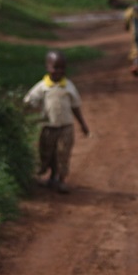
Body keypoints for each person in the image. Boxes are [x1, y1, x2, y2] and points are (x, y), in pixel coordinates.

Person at [23, 49, 90, 194]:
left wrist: (83, 124)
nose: (59, 71)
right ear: (47, 67)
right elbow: (29, 101)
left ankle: (61, 180)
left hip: (66, 127)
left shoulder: (68, 86)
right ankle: (52, 176)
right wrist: (22, 114)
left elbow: (75, 107)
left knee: (63, 153)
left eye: (62, 68)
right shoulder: (42, 87)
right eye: (55, 67)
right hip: (48, 127)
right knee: (47, 153)